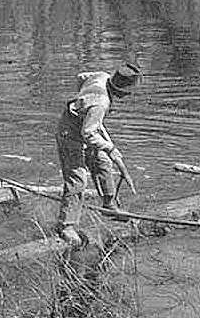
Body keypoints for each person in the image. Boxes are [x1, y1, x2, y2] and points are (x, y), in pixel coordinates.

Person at [55, 63, 141, 246]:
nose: (128, 95)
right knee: (77, 178)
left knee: (102, 163)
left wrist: (83, 102)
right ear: (121, 91)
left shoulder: (101, 76)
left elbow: (81, 77)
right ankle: (66, 225)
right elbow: (88, 134)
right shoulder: (101, 104)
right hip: (70, 133)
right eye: (128, 92)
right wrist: (110, 148)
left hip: (84, 125)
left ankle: (109, 205)